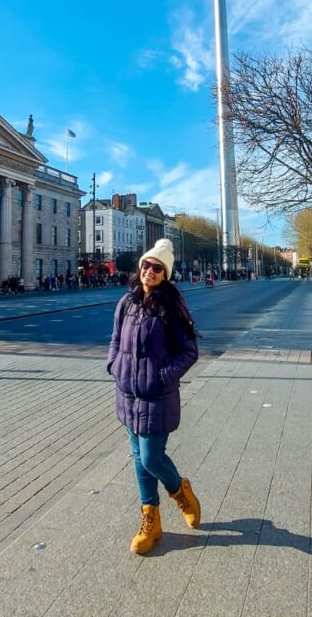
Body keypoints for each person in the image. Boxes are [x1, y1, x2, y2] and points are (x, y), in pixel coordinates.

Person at [107, 238, 200, 555]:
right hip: (128, 395)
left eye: (157, 268)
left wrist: (165, 375)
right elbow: (116, 340)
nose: (149, 271)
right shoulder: (127, 303)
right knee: (138, 460)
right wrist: (114, 365)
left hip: (156, 396)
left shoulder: (171, 306)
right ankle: (151, 519)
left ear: (165, 274)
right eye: (146, 265)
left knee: (151, 457)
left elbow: (189, 351)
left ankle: (181, 492)